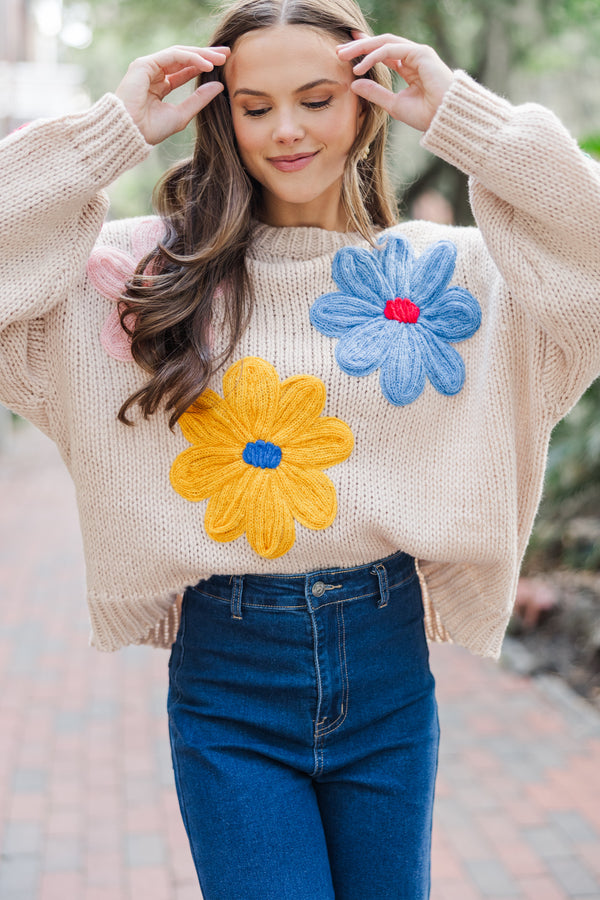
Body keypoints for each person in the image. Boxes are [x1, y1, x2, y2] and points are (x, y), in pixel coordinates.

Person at [1, 0, 599, 896]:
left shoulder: (447, 279)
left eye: (317, 98)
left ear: (363, 104)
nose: (286, 130)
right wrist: (110, 133)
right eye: (254, 105)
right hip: (228, 679)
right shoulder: (140, 278)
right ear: (222, 114)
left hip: (389, 665)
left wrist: (468, 123)